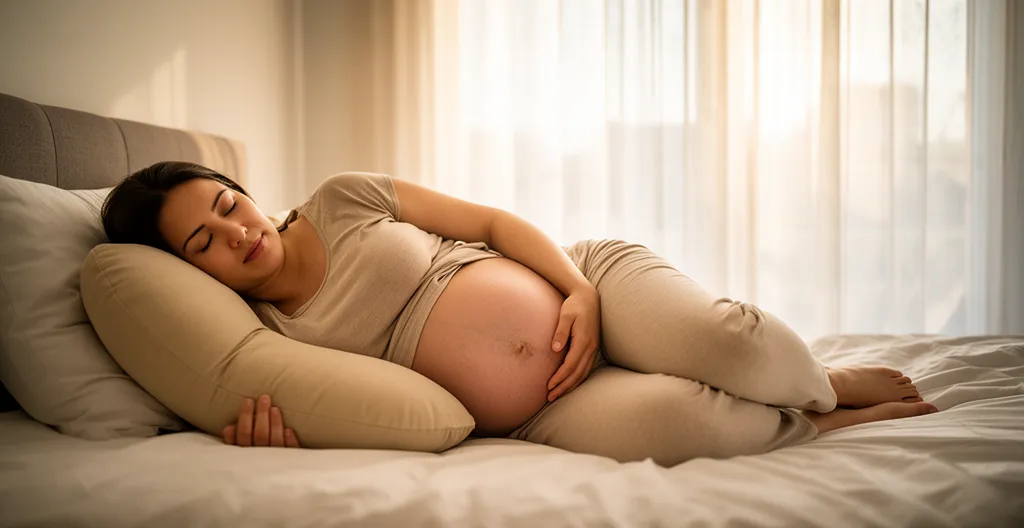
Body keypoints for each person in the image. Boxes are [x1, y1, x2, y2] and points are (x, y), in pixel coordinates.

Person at [101, 161, 938, 465]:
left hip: (590, 290)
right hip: (545, 410)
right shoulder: (267, 339)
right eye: (204, 243)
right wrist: (262, 440)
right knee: (693, 428)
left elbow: (494, 225)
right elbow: (319, 405)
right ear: (191, 274)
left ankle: (819, 384)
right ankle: (811, 428)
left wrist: (575, 289)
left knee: (737, 343)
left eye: (225, 204)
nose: (235, 233)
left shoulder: (340, 199)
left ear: (244, 191)